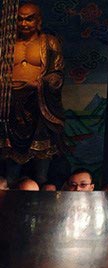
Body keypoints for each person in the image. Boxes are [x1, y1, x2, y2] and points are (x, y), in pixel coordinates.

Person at [1, 2, 65, 182]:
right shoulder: (6, 44)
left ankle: (41, 188)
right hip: (10, 105)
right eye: (20, 19)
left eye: (29, 19)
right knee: (10, 158)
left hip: (39, 103)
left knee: (42, 157)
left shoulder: (49, 42)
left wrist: (37, 83)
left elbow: (57, 74)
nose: (24, 24)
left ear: (38, 20)